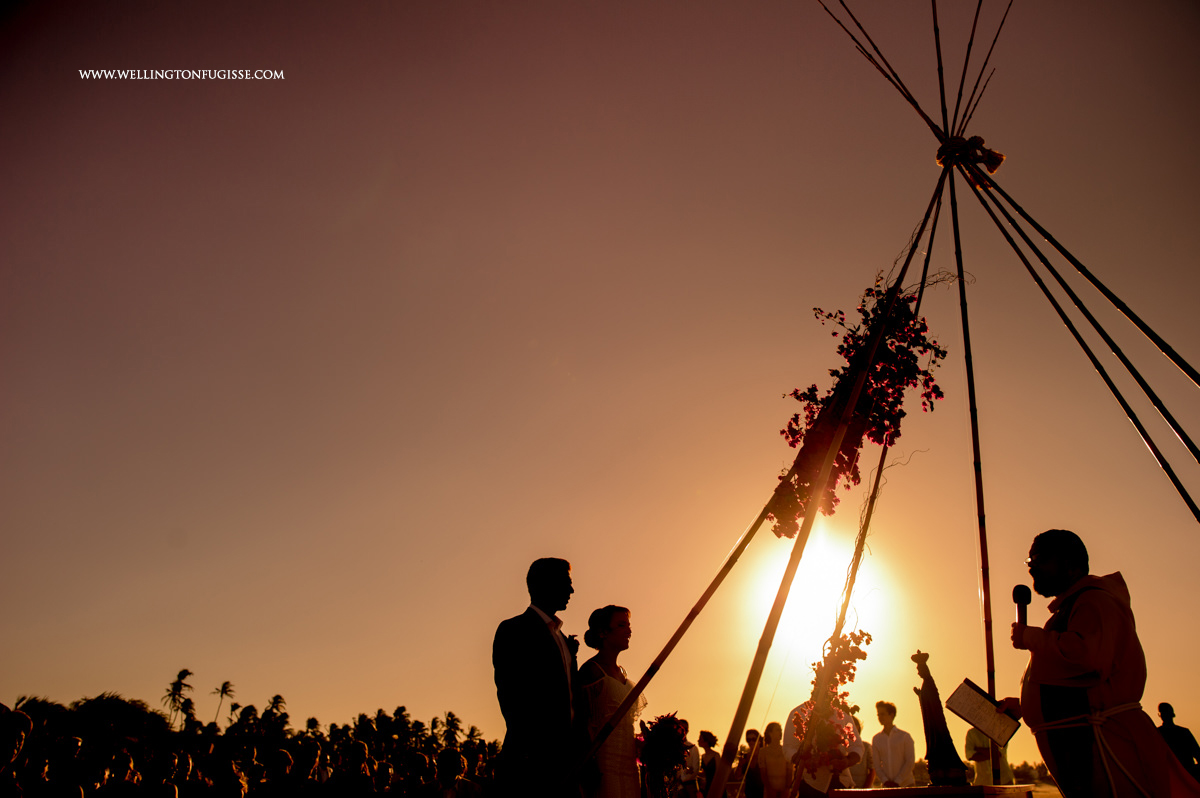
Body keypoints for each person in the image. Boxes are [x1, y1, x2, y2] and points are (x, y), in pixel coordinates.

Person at [1000, 529, 1200, 797]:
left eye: (1039, 558)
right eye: (1029, 561)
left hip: (1107, 748)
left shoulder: (1096, 600)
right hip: (1085, 748)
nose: (1032, 568)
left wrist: (1032, 636)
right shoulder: (1074, 606)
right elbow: (1080, 686)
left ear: (1070, 564)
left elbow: (1089, 659)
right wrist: (1026, 705)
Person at [492, 557, 580, 798]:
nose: (572, 589)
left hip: (567, 763)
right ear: (546, 583)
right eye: (566, 582)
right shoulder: (514, 630)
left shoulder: (562, 639)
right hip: (531, 764)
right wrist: (530, 752)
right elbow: (510, 695)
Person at [578, 605, 644, 798]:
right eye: (622, 625)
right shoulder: (591, 671)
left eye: (629, 625)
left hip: (630, 766)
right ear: (602, 632)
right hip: (603, 765)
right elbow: (582, 722)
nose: (629, 630)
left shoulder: (623, 673)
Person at [783, 702, 863, 794]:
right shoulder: (799, 713)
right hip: (810, 784)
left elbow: (857, 747)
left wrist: (847, 761)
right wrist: (806, 761)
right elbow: (789, 748)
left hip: (840, 782)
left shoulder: (842, 713)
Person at [871, 701, 915, 787]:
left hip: (906, 785)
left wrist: (897, 781)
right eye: (878, 715)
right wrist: (885, 781)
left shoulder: (905, 736)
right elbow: (876, 764)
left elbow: (910, 761)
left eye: (882, 714)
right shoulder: (876, 739)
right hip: (887, 787)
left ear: (891, 715)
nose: (880, 717)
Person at [1159, 704, 1200, 781]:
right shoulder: (1184, 732)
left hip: (1181, 775)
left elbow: (1198, 754)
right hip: (1173, 776)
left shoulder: (1157, 733)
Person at [757, 722, 791, 798]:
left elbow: (789, 771)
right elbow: (763, 773)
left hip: (784, 791)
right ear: (770, 733)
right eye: (777, 730)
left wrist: (787, 788)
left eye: (781, 730)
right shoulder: (763, 752)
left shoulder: (785, 750)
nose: (780, 732)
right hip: (769, 792)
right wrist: (769, 789)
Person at [697, 732, 719, 796]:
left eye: (700, 739)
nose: (698, 740)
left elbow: (719, 772)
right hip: (707, 786)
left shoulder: (716, 755)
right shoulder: (703, 756)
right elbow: (704, 773)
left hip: (716, 785)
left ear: (706, 741)